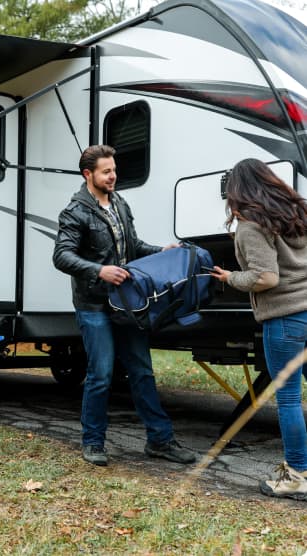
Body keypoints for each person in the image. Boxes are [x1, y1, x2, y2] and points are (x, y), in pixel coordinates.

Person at [52, 144, 196, 467]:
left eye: (114, 170)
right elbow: (61, 256)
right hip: (93, 304)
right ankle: (93, 442)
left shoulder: (119, 203)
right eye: (106, 171)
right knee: (101, 373)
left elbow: (133, 246)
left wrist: (164, 250)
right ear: (88, 174)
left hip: (126, 304)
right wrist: (98, 270)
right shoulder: (75, 212)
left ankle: (159, 440)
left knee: (142, 370)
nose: (113, 175)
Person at [211, 158, 307, 501]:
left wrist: (230, 278)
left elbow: (266, 277)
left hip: (285, 319)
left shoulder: (252, 225)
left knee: (289, 400)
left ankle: (296, 475)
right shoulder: (299, 213)